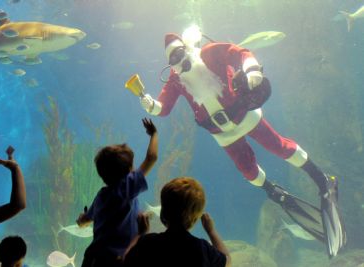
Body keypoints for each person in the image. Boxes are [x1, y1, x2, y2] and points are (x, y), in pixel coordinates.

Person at [136, 29, 346, 257]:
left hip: (245, 116)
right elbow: (163, 108)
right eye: (173, 60)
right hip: (222, 133)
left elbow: (239, 53)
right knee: (248, 170)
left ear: (187, 48)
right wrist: (149, 104)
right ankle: (273, 191)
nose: (178, 62)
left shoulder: (209, 53)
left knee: (279, 146)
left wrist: (252, 69)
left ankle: (322, 180)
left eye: (179, 54)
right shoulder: (177, 80)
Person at [76, 118, 158, 267]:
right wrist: (154, 134)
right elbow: (151, 158)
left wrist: (81, 220)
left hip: (93, 257)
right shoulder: (126, 187)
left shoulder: (101, 196)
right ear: (128, 172)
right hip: (117, 259)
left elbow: (86, 220)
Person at [123, 177, 230, 267]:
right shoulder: (202, 249)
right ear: (195, 218)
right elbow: (227, 260)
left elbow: (126, 259)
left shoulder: (148, 242)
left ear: (163, 213)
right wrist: (211, 231)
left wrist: (140, 234)